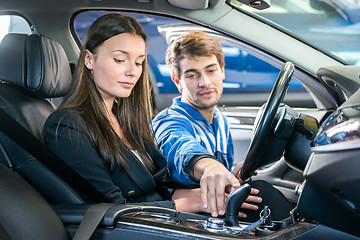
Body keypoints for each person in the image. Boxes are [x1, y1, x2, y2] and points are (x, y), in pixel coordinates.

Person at [43, 14, 211, 214]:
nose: (133, 71)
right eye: (120, 59)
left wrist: (212, 194)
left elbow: (155, 191)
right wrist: (194, 204)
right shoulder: (67, 125)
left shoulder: (124, 120)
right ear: (89, 59)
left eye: (139, 62)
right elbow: (112, 209)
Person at [152, 30, 294, 221]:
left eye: (210, 70)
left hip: (218, 210)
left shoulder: (219, 119)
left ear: (222, 71)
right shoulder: (169, 121)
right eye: (192, 75)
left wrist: (230, 176)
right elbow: (180, 147)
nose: (205, 82)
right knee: (263, 193)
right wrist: (210, 167)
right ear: (177, 81)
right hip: (188, 219)